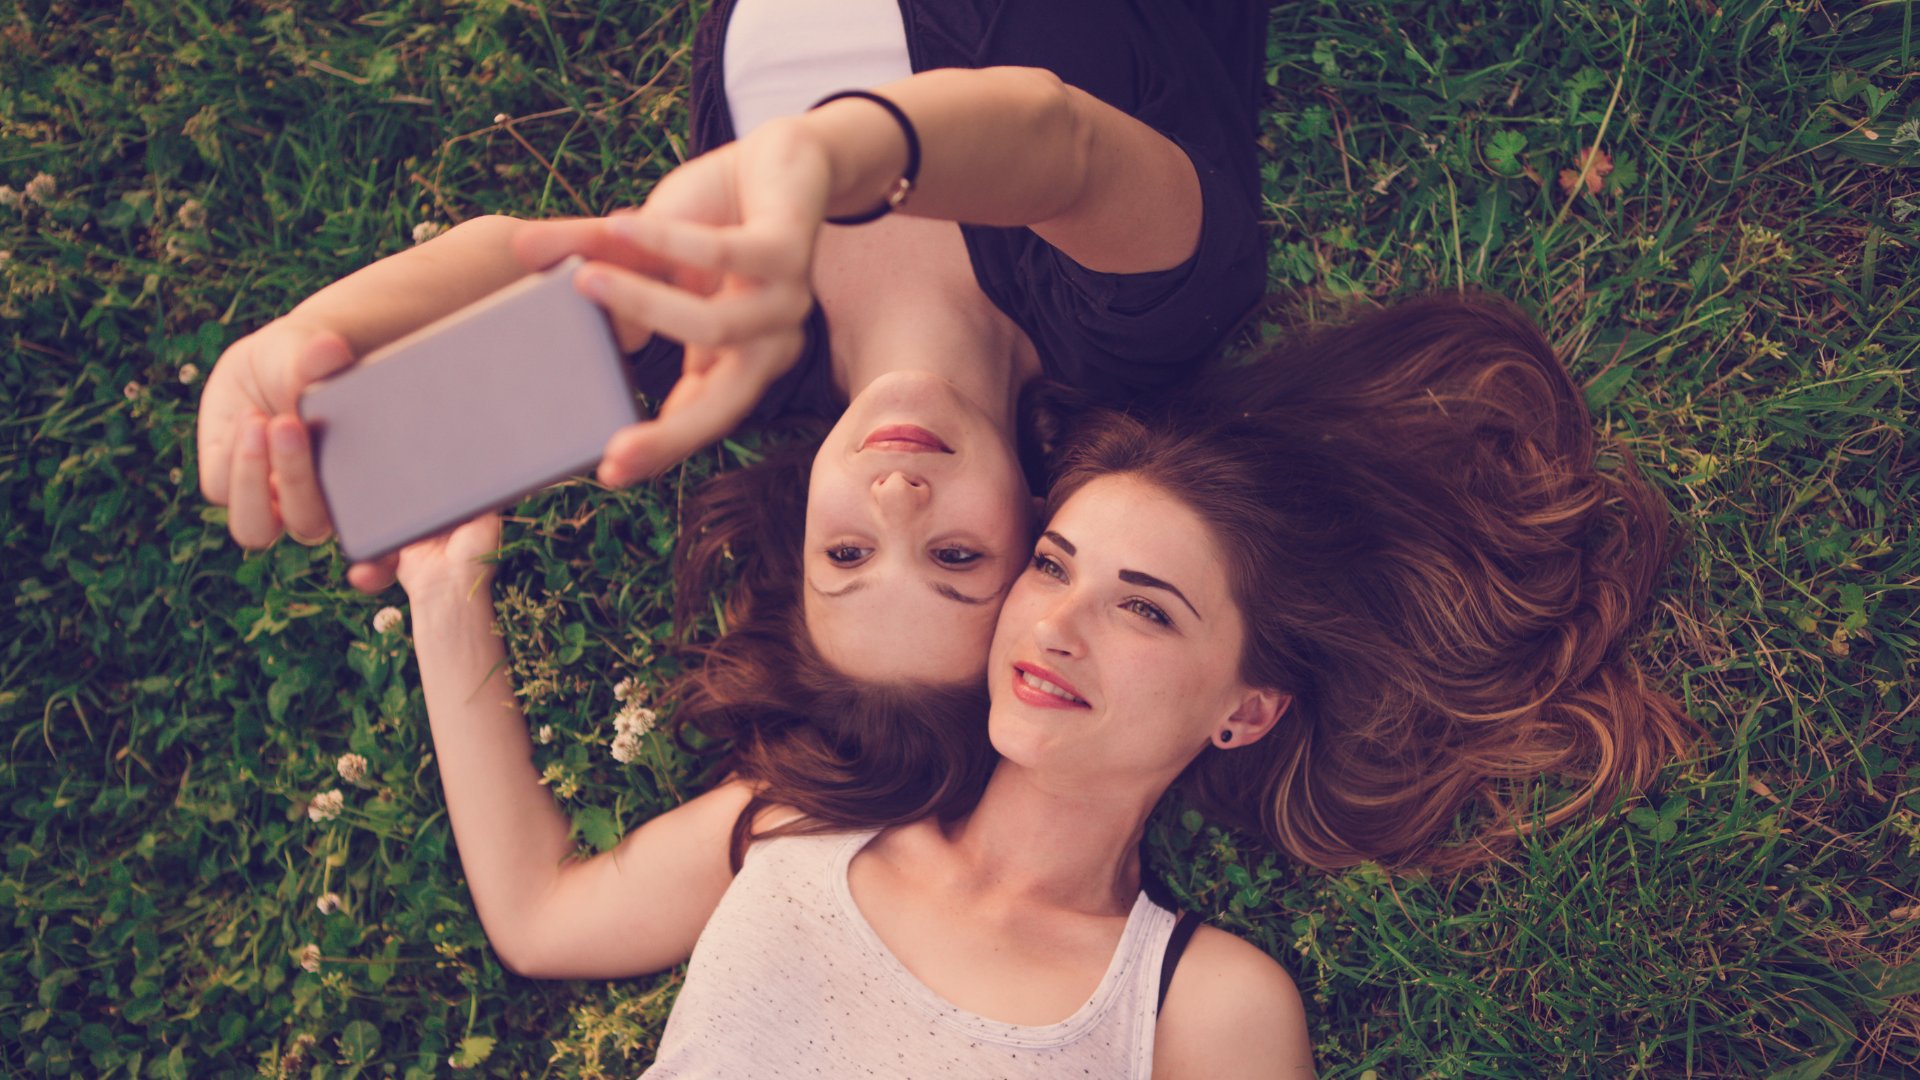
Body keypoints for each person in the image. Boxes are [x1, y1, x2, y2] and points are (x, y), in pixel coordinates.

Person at [389, 293, 1693, 1075]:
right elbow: (543, 917)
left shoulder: (1203, 1006)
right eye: (1055, 563)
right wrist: (447, 594)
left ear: (1246, 708)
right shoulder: (799, 827)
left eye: (1145, 608)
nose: (1058, 624)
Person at [195, 0, 1268, 696]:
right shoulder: (1139, 319)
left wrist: (287, 350)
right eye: (956, 559)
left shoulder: (721, 355)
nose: (896, 500)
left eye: (845, 557)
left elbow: (519, 261)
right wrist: (820, 157)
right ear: (1040, 533)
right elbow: (1056, 140)